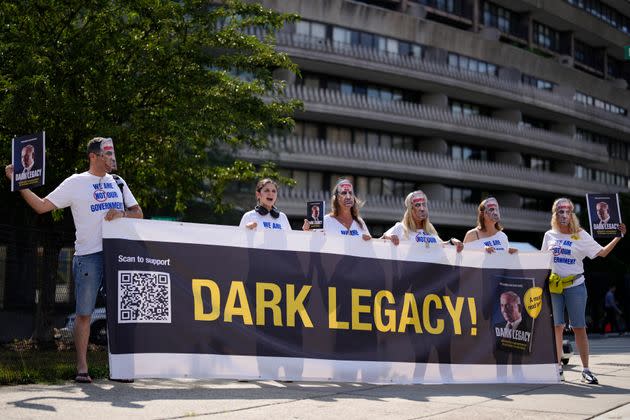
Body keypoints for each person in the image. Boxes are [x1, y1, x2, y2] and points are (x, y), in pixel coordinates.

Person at [5, 137, 143, 384]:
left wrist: (121, 213)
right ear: (93, 156)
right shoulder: (75, 182)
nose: (112, 159)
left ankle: (122, 368)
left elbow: (138, 213)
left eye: (113, 155)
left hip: (117, 256)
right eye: (107, 155)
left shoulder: (118, 182)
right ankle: (82, 368)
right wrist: (18, 183)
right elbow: (42, 206)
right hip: (88, 257)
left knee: (122, 313)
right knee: (84, 314)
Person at [541, 197, 626, 384]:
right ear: (554, 214)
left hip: (576, 286)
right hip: (554, 287)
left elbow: (602, 253)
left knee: (579, 327)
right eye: (559, 211)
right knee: (557, 327)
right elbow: (542, 261)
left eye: (567, 211)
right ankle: (557, 368)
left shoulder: (580, 234)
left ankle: (586, 370)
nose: (563, 215)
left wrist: (618, 237)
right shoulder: (549, 235)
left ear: (572, 214)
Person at [381, 190, 463, 251]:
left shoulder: (430, 229)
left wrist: (452, 242)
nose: (422, 209)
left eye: (424, 204)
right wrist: (389, 237)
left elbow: (441, 247)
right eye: (417, 205)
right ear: (410, 210)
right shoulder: (400, 227)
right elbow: (378, 243)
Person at [303, 178, 371, 240]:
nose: (348, 197)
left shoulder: (360, 222)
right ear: (336, 198)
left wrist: (380, 240)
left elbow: (371, 247)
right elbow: (313, 243)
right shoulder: (326, 221)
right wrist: (308, 232)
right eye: (344, 193)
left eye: (350, 193)